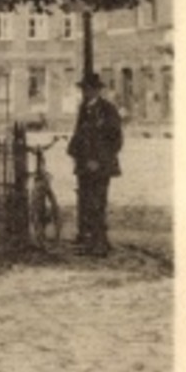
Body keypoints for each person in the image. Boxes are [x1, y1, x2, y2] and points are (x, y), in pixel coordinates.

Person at [67, 72, 122, 256]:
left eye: (89, 89)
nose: (86, 92)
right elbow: (79, 134)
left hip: (100, 166)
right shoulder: (84, 109)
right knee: (86, 202)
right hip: (84, 165)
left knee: (98, 203)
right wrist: (74, 153)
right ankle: (89, 241)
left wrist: (99, 161)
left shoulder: (107, 110)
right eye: (84, 89)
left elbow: (115, 139)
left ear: (97, 90)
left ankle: (100, 244)